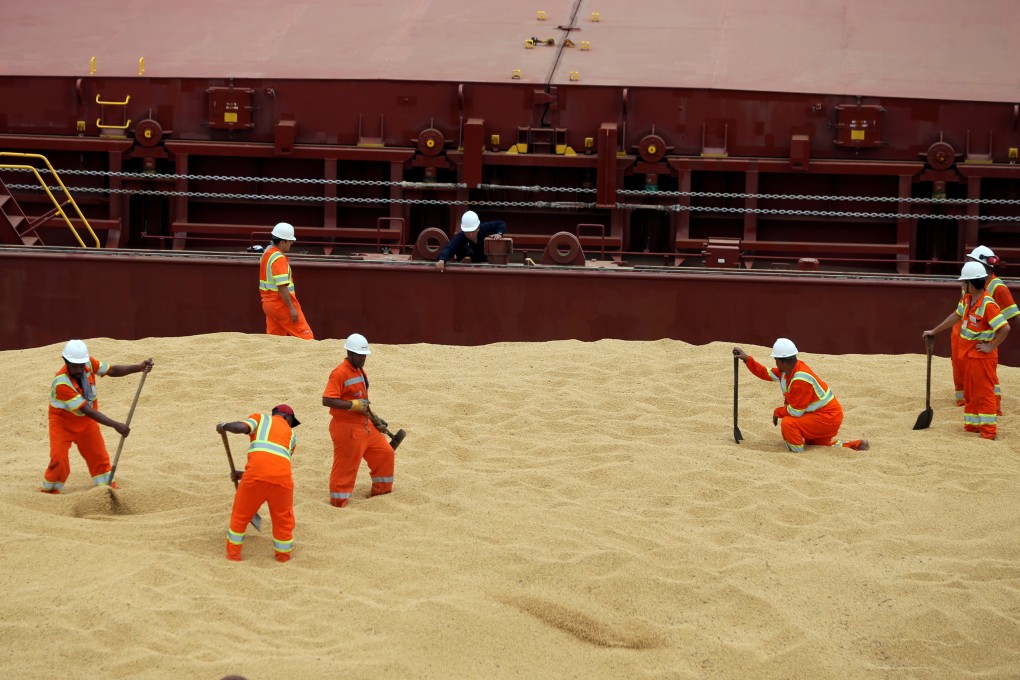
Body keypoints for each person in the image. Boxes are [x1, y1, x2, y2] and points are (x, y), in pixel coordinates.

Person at [42, 340, 154, 493]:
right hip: (62, 424)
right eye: (75, 366)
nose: (79, 369)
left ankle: (106, 490)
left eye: (81, 365)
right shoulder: (61, 382)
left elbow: (112, 370)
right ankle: (50, 493)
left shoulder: (88, 363)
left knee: (99, 458)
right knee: (58, 460)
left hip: (86, 422)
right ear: (66, 361)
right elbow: (88, 410)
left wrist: (138, 368)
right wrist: (115, 424)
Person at [732, 339, 869, 453]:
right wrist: (747, 359)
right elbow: (765, 373)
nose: (775, 363)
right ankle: (855, 445)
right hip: (823, 415)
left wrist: (777, 412)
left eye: (775, 360)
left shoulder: (800, 379)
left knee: (789, 423)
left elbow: (795, 412)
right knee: (818, 446)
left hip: (826, 418)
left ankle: (797, 452)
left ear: (780, 361)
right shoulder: (788, 370)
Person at [924, 261, 1010, 440]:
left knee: (984, 393)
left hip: (982, 357)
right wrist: (934, 330)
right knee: (970, 392)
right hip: (970, 355)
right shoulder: (968, 299)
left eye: (964, 282)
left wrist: (991, 346)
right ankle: (972, 426)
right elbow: (956, 315)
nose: (962, 285)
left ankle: (988, 432)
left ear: (971, 283)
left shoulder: (988, 304)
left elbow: (1005, 328)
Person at [216, 404, 300, 562]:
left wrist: (224, 426)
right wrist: (243, 474)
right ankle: (283, 557)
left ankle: (233, 555)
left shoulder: (261, 419)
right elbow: (275, 463)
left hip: (255, 478)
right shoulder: (292, 436)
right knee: (283, 520)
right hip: (283, 481)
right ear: (285, 417)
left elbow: (241, 427)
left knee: (240, 516)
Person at [321, 333, 395, 507]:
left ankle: (381, 493)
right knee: (346, 468)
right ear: (349, 353)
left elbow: (363, 402)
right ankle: (339, 500)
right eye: (360, 355)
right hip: (347, 429)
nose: (363, 359)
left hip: (365, 425)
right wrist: (351, 405)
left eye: (365, 356)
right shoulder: (339, 373)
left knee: (385, 453)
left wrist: (375, 419)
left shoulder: (360, 371)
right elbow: (327, 400)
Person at [943, 246, 1017, 412]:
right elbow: (959, 312)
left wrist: (992, 345)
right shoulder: (969, 281)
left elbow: (1011, 318)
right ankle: (966, 402)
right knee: (961, 370)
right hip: (963, 336)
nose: (969, 264)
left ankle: (991, 406)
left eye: (972, 261)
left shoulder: (997, 287)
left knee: (985, 377)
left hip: (980, 342)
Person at [259, 222, 314, 339]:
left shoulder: (267, 254)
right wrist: (292, 308)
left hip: (268, 304)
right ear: (282, 242)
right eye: (290, 241)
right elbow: (282, 286)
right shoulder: (279, 258)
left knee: (275, 339)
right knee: (306, 337)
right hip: (280, 304)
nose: (292, 243)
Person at [433, 210, 506, 272]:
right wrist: (442, 259)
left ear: (478, 228)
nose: (470, 234)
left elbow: (500, 224)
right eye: (467, 232)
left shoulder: (484, 228)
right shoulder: (461, 237)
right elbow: (450, 247)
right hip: (467, 268)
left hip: (485, 265)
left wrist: (499, 233)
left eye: (473, 231)